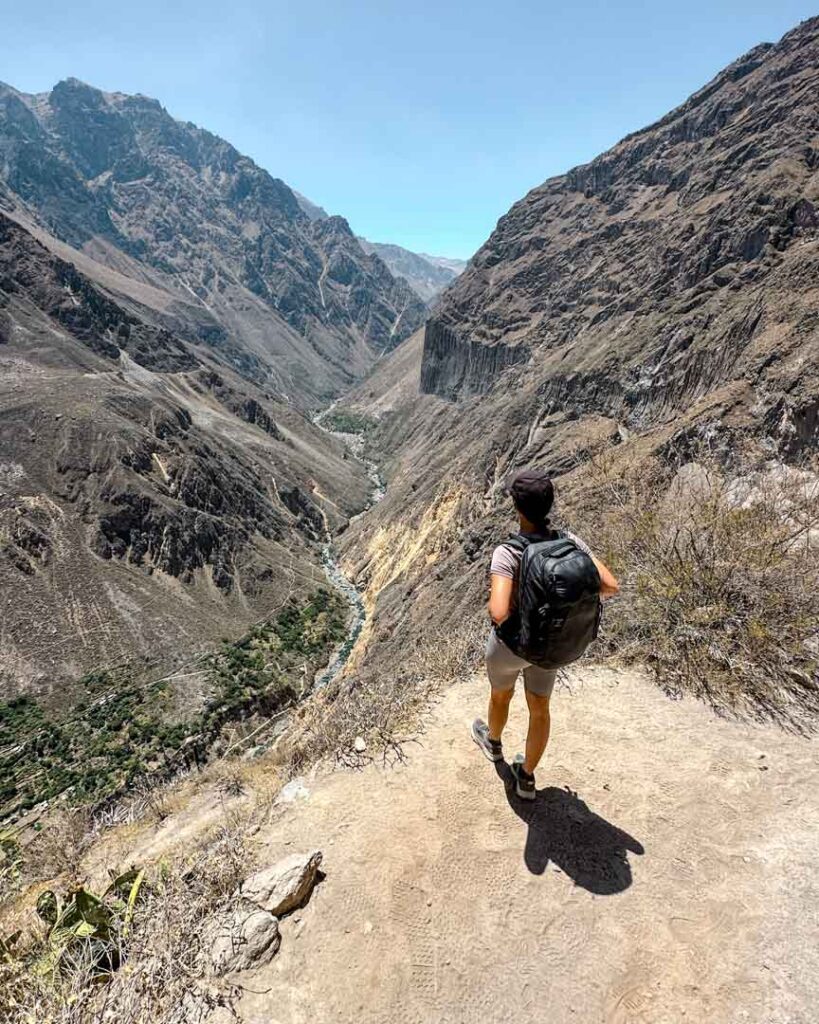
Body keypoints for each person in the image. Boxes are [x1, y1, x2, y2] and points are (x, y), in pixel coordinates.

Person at [471, 468, 620, 800]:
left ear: (517, 508)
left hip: (512, 648)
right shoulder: (570, 541)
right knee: (540, 708)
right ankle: (526, 778)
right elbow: (610, 586)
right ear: (549, 504)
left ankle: (493, 744)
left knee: (500, 696)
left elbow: (498, 612)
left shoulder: (508, 552)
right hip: (549, 644)